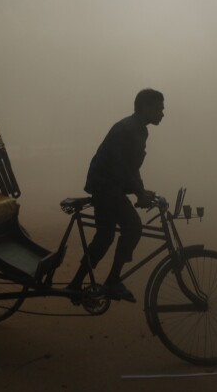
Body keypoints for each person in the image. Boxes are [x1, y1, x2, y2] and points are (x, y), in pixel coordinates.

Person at [67, 88, 164, 302]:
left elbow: (132, 167)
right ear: (144, 108)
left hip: (112, 187)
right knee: (133, 227)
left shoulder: (140, 130)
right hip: (105, 186)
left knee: (105, 236)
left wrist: (140, 190)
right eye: (158, 109)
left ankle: (76, 284)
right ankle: (112, 281)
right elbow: (120, 166)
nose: (162, 113)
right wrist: (138, 192)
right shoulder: (126, 129)